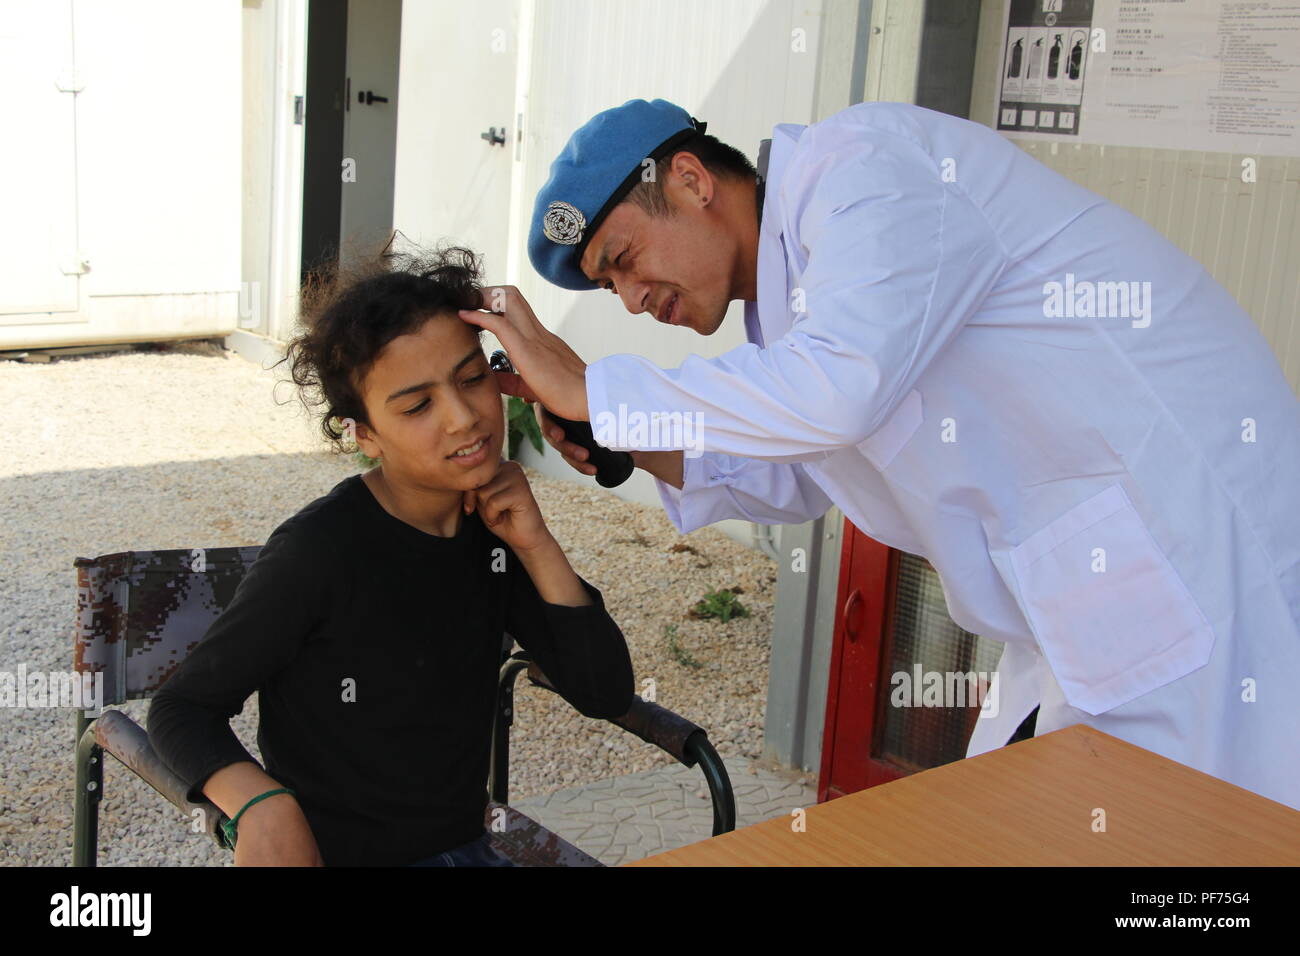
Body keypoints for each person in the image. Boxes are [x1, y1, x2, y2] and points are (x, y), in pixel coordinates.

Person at [459, 98, 1300, 811]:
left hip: (1198, 552)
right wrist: (629, 443)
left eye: (625, 260)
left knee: (1206, 851)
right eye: (611, 288)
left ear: (688, 178)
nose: (634, 300)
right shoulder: (792, 309)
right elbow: (797, 466)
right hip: (1092, 601)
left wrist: (595, 389)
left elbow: (838, 390)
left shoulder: (859, 169)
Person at [147, 243, 635, 866]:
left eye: (472, 379)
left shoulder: (489, 534)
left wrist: (536, 545)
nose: (463, 418)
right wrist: (261, 803)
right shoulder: (319, 553)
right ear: (365, 433)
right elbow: (182, 708)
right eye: (417, 405)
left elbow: (604, 690)